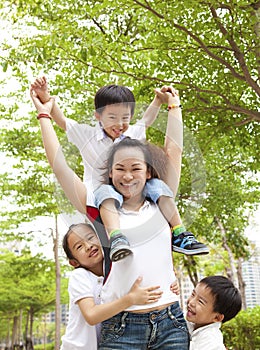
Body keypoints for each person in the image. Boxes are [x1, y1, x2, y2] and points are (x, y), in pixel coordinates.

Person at [30, 92, 190, 349]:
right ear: (110, 174)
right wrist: (44, 114)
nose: (128, 176)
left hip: (171, 322)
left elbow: (175, 151)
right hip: (123, 328)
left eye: (136, 168)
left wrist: (173, 105)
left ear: (148, 171)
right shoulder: (98, 212)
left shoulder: (161, 203)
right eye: (120, 169)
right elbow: (59, 166)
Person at [31, 77, 209, 260]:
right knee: (107, 194)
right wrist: (46, 100)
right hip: (102, 192)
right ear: (98, 115)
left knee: (158, 186)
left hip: (135, 191)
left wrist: (159, 100)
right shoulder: (87, 135)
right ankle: (116, 237)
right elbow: (61, 121)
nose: (120, 124)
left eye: (125, 118)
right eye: (113, 118)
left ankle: (179, 233)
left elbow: (149, 121)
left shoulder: (132, 134)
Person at [60, 222, 164, 350]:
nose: (88, 246)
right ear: (74, 262)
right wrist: (130, 299)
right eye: (79, 246)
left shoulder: (116, 270)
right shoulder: (80, 276)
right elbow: (91, 315)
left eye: (91, 237)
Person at [186, 275, 242, 350]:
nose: (191, 302)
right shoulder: (191, 323)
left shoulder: (211, 342)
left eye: (200, 302)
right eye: (193, 294)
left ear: (217, 317)